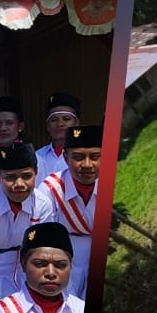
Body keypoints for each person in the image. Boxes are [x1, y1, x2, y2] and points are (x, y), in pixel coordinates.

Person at [0, 142, 58, 306]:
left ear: (36, 173)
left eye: (27, 176)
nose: (19, 184)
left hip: (24, 273)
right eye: (10, 177)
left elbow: (40, 253)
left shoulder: (43, 204)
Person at [39, 123, 100, 299]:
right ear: (66, 158)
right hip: (63, 256)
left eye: (95, 157)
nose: (87, 165)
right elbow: (46, 237)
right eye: (78, 157)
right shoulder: (50, 188)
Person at [36, 92, 82, 182]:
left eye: (66, 119)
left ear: (76, 123)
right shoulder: (36, 157)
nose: (60, 124)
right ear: (48, 126)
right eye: (54, 120)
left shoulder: (86, 157)